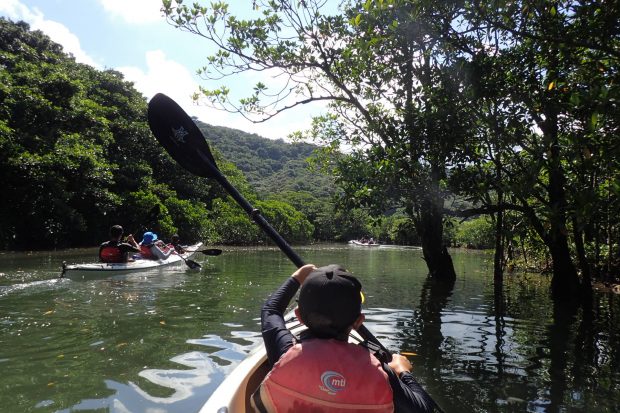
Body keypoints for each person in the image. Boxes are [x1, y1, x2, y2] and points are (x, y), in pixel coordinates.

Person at [251, 264, 436, 413]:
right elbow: (425, 409)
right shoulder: (380, 373)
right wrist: (403, 371)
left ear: (298, 316)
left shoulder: (284, 351)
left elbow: (271, 310)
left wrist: (299, 276)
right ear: (358, 322)